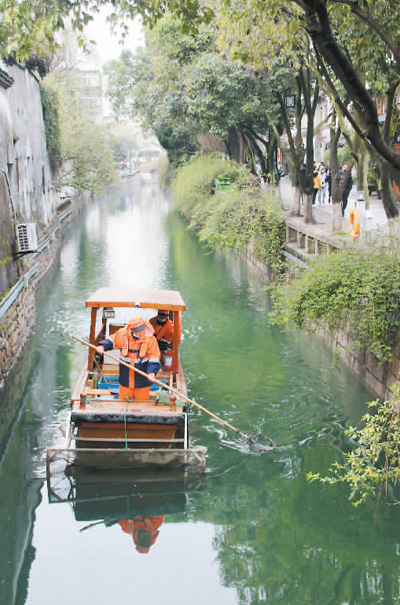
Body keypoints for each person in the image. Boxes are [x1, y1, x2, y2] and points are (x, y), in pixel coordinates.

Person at [96, 317, 160, 401]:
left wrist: (152, 372)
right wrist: (102, 346)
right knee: (123, 403)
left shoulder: (150, 339)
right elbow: (112, 340)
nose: (141, 332)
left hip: (142, 381)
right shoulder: (122, 334)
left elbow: (154, 357)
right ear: (132, 330)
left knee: (143, 404)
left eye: (142, 329)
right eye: (138, 331)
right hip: (125, 379)